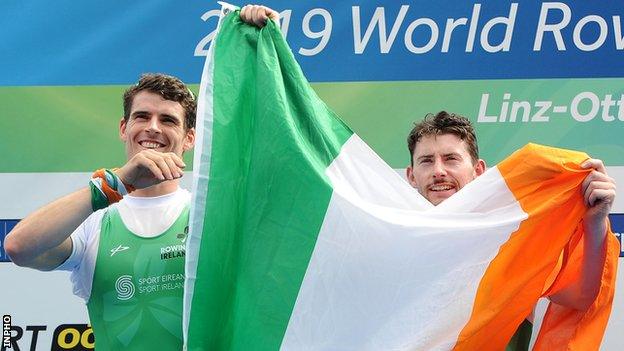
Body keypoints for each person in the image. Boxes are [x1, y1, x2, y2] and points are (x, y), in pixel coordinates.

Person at [5, 7, 280, 350]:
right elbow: (19, 247)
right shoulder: (97, 222)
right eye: (142, 117)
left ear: (189, 138)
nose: (152, 128)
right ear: (124, 128)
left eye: (168, 120)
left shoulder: (212, 215)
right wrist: (115, 184)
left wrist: (261, 48)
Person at [405, 111, 617, 350]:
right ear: (411, 175)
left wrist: (595, 223)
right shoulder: (396, 247)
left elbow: (580, 297)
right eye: (426, 161)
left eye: (451, 158)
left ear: (478, 170)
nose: (438, 171)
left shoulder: (511, 237)